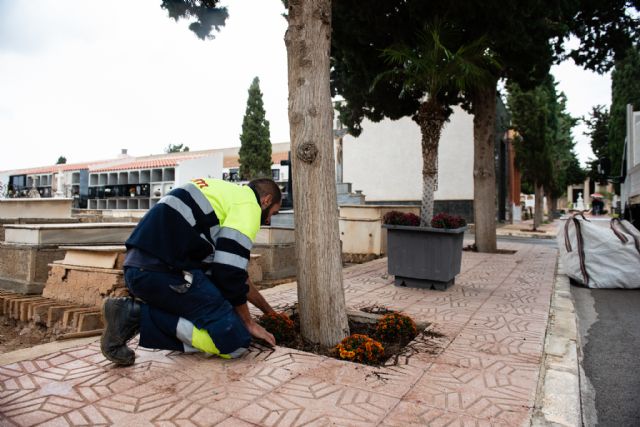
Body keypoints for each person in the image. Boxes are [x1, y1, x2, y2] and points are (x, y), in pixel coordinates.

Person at [100, 177, 281, 366]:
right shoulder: (249, 207)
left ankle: (136, 315)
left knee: (223, 311)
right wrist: (248, 323)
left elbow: (236, 276)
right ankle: (134, 315)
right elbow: (229, 272)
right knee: (235, 340)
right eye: (273, 213)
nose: (268, 220)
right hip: (163, 272)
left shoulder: (225, 194)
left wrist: (269, 312)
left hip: (141, 269)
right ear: (266, 200)